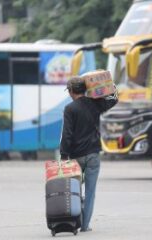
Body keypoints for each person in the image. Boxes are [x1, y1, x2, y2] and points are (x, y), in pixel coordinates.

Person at [60, 76, 118, 232]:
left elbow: (67, 134)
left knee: (74, 190)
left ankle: (74, 222)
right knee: (90, 192)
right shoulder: (95, 104)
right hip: (93, 154)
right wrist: (110, 85)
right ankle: (85, 226)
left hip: (76, 156)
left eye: (69, 91)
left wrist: (63, 156)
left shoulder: (70, 109)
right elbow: (113, 99)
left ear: (72, 91)